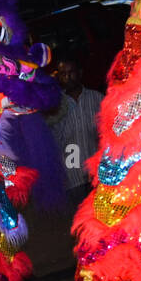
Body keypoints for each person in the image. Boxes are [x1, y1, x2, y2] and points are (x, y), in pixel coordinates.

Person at [46, 53, 104, 201]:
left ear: (80, 73)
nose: (67, 78)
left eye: (71, 73)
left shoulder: (96, 99)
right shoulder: (54, 105)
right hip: (71, 178)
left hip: (97, 176)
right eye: (63, 74)